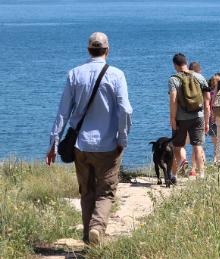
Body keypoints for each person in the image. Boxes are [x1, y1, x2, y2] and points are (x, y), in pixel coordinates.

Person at [45, 32, 132, 245]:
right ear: (107, 50)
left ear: (88, 50)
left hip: (80, 145)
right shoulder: (116, 74)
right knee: (106, 192)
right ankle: (96, 229)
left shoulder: (74, 74)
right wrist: (123, 138)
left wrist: (53, 142)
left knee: (86, 192)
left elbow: (62, 112)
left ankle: (88, 237)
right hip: (109, 144)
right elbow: (125, 110)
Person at [169, 54, 210, 180]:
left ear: (175, 65)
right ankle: (201, 175)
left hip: (181, 118)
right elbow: (207, 101)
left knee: (177, 146)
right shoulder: (200, 77)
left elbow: (173, 100)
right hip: (198, 116)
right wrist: (207, 121)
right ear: (186, 62)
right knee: (197, 146)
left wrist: (172, 119)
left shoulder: (173, 79)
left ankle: (174, 175)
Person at [208, 73, 220, 161]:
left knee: (215, 141)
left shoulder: (210, 93)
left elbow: (208, 107)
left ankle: (215, 158)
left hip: (212, 118)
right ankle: (219, 158)